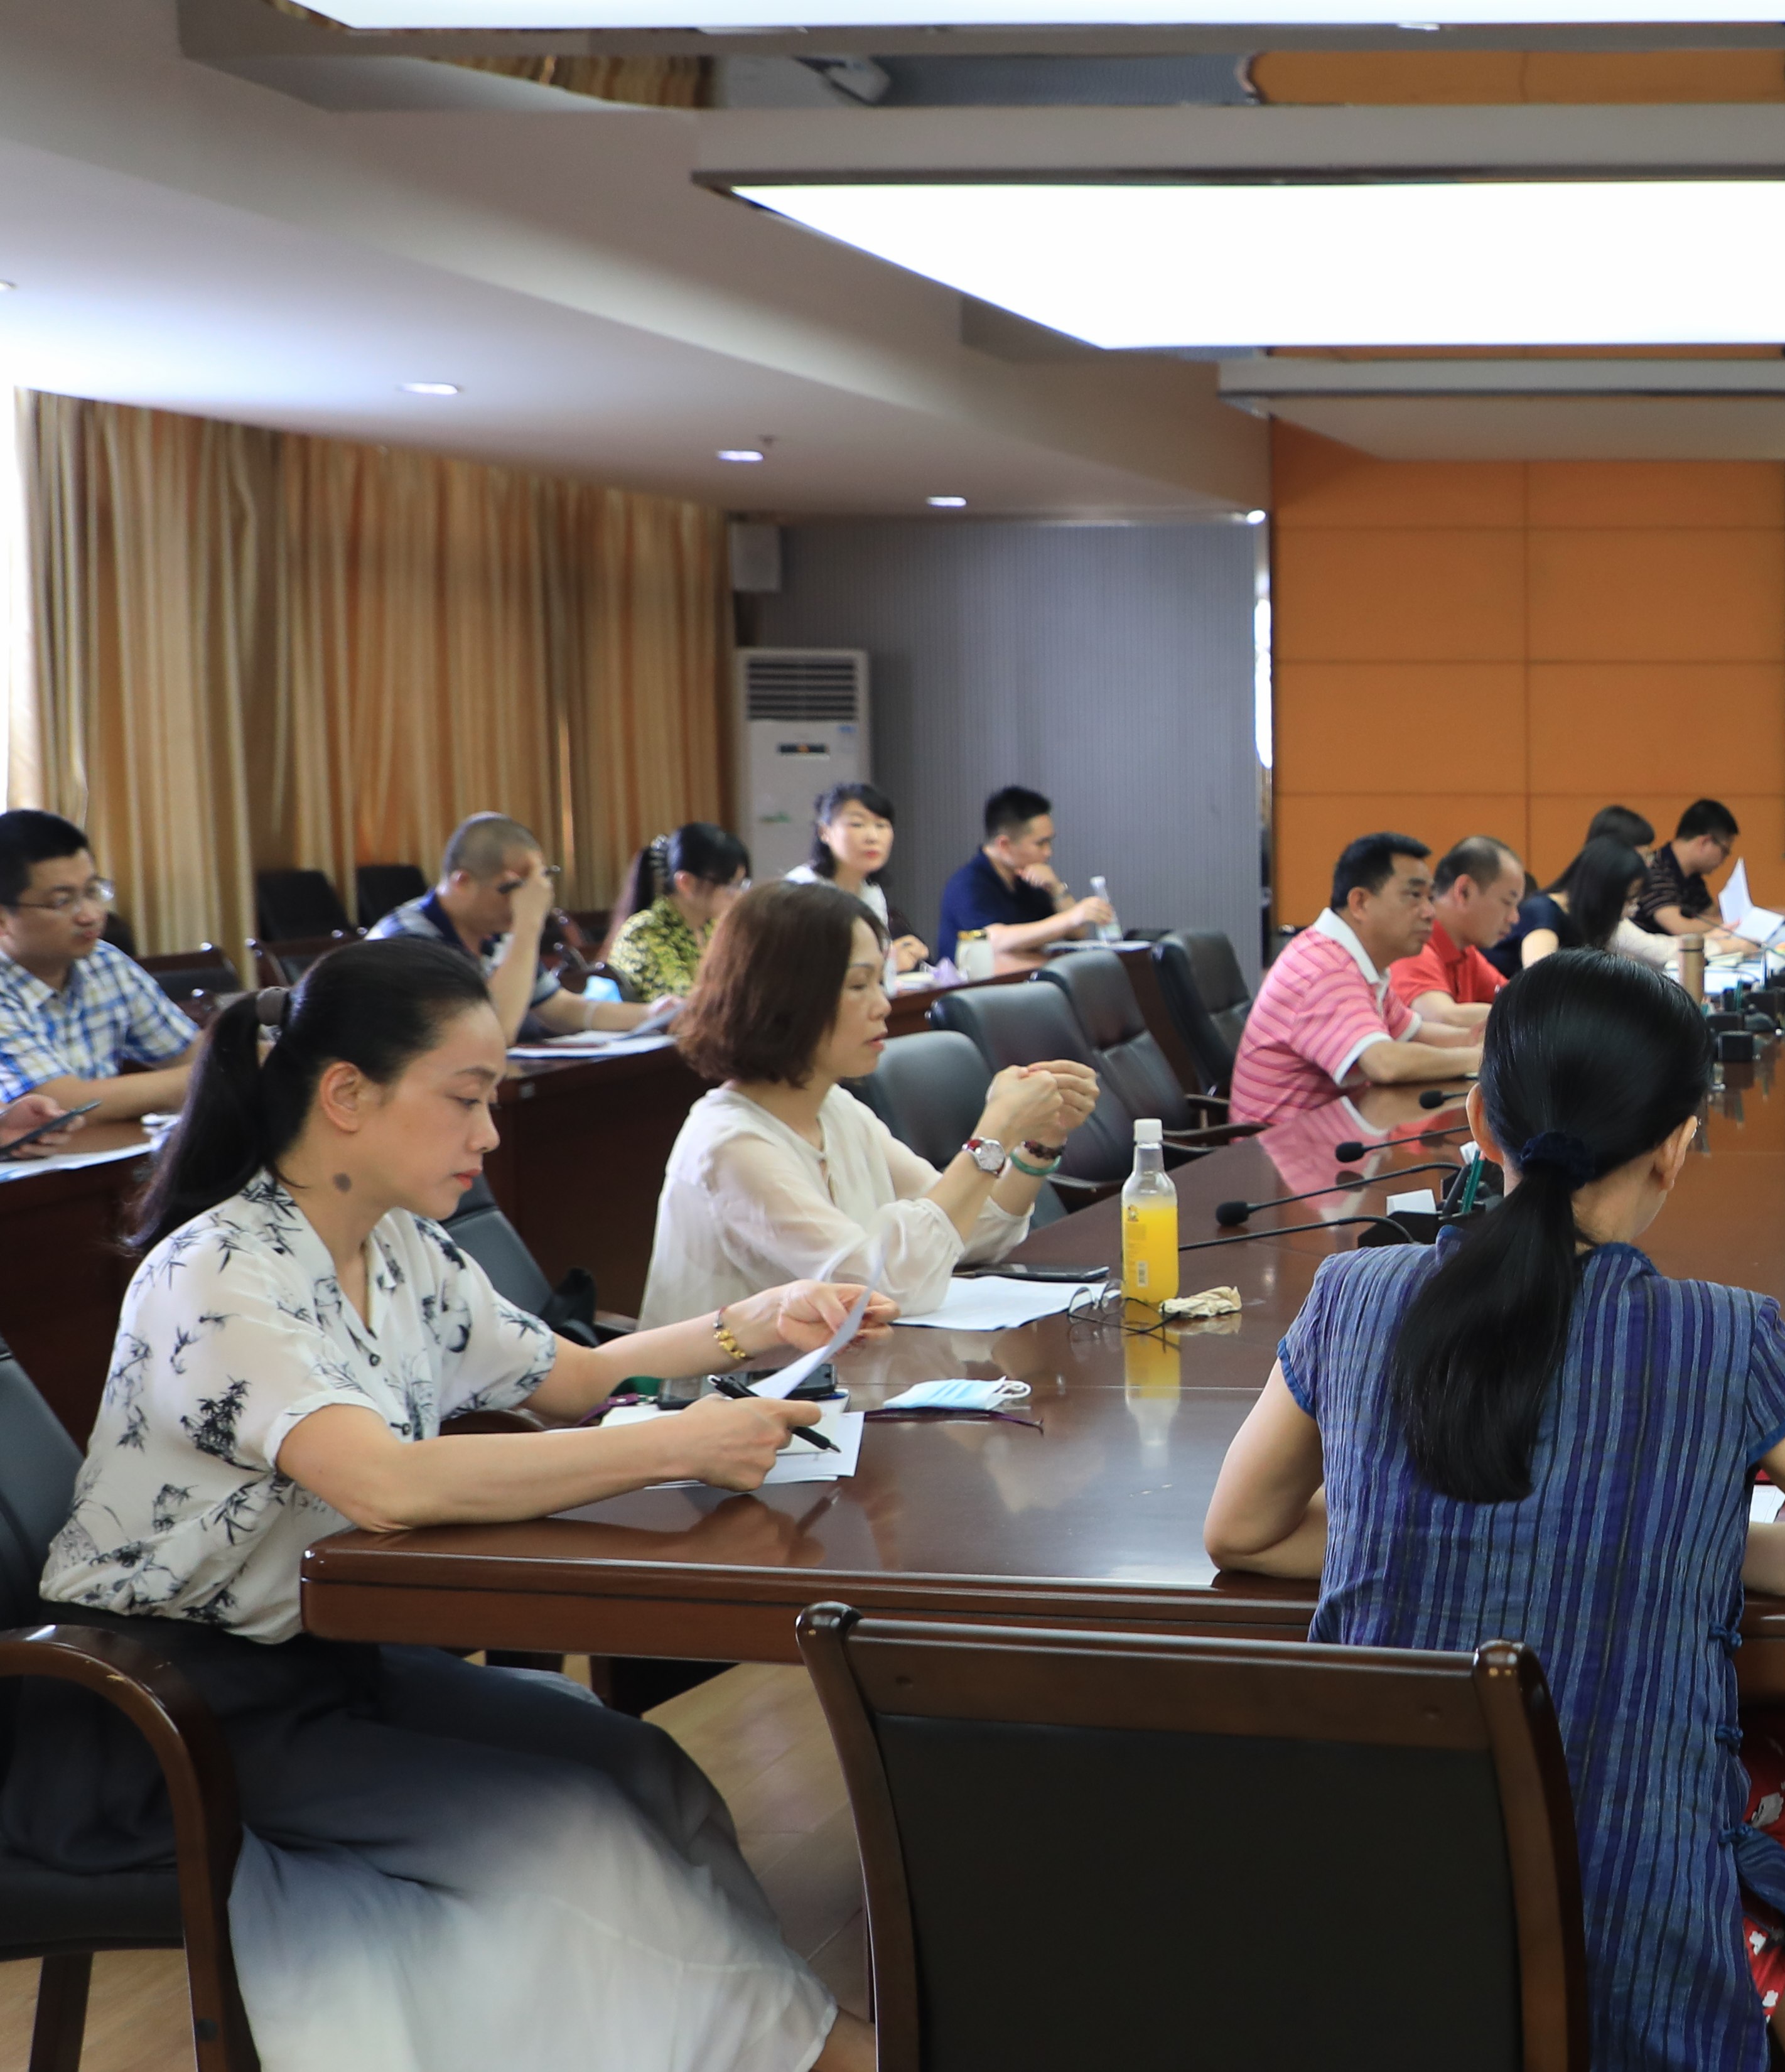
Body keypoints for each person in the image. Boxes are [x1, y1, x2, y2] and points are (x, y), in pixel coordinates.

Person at [6, 934, 888, 2072]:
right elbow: (382, 1482)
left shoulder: (402, 1252)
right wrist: (676, 1444)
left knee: (642, 1769)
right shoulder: (215, 1273)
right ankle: (824, 2055)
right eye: (467, 1098)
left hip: (322, 1669)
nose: (490, 1134)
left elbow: (571, 1380)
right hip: (163, 1715)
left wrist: (753, 1324)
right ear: (347, 1096)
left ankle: (777, 2042)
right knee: (571, 1832)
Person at [1203, 949, 1785, 2072]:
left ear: (1478, 1121)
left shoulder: (1354, 1295)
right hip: (1642, 1980)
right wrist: (1692, 1537)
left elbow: (1242, 1531)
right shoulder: (1722, 1336)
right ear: (1676, 1147)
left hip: (1376, 1944)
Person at [640, 882, 1099, 1327]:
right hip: (746, 1381)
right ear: (785, 996)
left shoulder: (835, 1108)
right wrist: (994, 1132)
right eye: (859, 985)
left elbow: (965, 1233)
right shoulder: (730, 1144)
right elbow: (882, 1291)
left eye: (880, 981)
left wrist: (1038, 1143)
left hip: (838, 1369)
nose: (882, 1005)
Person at [1225, 833, 1480, 1131]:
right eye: (1414, 896)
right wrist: (1479, 1059)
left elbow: (1412, 1034)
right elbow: (1385, 1063)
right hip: (1278, 1154)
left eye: (1430, 897)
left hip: (1326, 1139)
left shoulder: (1354, 962)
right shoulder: (1322, 969)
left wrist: (1479, 1040)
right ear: (1360, 902)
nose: (1430, 913)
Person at [366, 813, 664, 1043]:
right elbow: (492, 1035)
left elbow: (559, 1008)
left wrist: (654, 1014)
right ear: (462, 882)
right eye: (512, 888)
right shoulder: (406, 939)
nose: (522, 902)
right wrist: (527, 925)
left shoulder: (494, 931)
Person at [0, 809, 199, 1120]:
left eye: (92, 891)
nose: (90, 915)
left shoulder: (104, 963)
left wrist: (254, 1055)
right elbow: (57, 1106)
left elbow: (188, 1052)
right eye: (62, 901)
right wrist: (212, 1076)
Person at [934, 785, 1114, 976]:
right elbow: (993, 940)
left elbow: (1077, 933)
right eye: (1041, 844)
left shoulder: (1030, 878)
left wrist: (1056, 888)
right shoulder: (967, 884)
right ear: (1004, 845)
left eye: (1050, 842)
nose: (1048, 852)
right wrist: (1072, 917)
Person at [781, 780, 929, 976]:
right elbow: (803, 971)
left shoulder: (871, 891)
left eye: (882, 825)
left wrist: (889, 957)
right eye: (857, 824)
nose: (873, 837)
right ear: (824, 832)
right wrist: (886, 964)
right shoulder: (802, 889)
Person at [603, 821, 752, 1004]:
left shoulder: (712, 925)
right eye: (730, 886)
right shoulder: (645, 932)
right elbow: (683, 1007)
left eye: (741, 885)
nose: (738, 895)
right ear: (686, 883)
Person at [1390, 835, 1527, 1035]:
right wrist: (1528, 1015)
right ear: (1464, 891)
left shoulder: (1466, 954)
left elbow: (1518, 999)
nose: (1515, 918)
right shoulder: (1414, 945)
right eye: (1507, 902)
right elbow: (1442, 1017)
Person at [1501, 806, 1653, 974]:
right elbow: (1542, 978)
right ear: (1603, 893)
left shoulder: (1585, 922)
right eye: (1629, 899)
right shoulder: (1542, 912)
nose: (1633, 909)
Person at [1560, 837, 1687, 979]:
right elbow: (1657, 951)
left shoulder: (1597, 921)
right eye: (1629, 900)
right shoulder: (1548, 914)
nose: (1632, 911)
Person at [1637, 798, 1747, 947]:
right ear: (1705, 842)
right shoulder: (1655, 869)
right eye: (1725, 851)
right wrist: (1737, 922)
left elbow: (1711, 915)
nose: (1724, 859)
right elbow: (1679, 928)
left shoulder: (1692, 877)